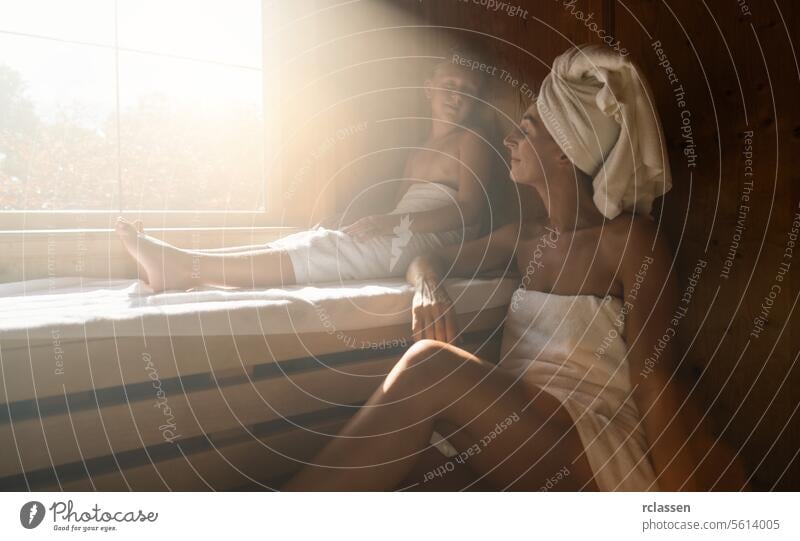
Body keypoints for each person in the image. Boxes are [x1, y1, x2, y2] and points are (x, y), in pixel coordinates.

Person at [281, 45, 747, 491]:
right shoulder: (523, 238)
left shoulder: (629, 241)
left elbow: (656, 377)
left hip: (590, 443)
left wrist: (681, 507)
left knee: (430, 366)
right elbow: (430, 257)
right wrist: (427, 286)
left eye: (526, 129)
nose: (510, 138)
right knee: (401, 468)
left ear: (565, 151)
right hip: (515, 435)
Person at [116, 52, 493, 291]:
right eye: (450, 85)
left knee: (322, 248)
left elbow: (471, 210)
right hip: (406, 230)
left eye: (469, 91)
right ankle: (182, 264)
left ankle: (185, 267)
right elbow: (399, 213)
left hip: (435, 242)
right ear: (428, 88)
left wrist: (391, 225)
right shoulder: (417, 153)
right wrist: (371, 221)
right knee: (313, 238)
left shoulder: (471, 140)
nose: (458, 96)